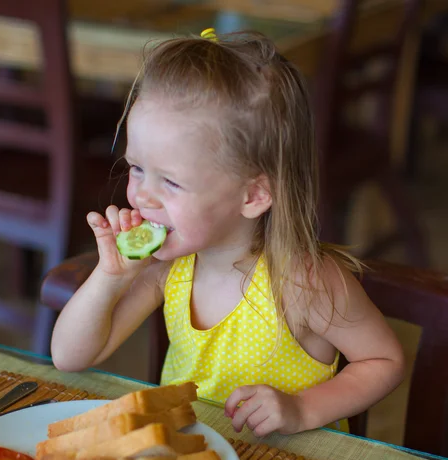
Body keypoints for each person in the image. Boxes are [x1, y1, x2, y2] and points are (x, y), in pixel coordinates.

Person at [51, 29, 404, 437]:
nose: (142, 195)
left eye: (171, 182)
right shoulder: (168, 267)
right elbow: (69, 356)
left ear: (253, 195)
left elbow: (384, 360)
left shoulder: (302, 281)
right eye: (136, 168)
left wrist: (302, 409)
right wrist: (109, 279)